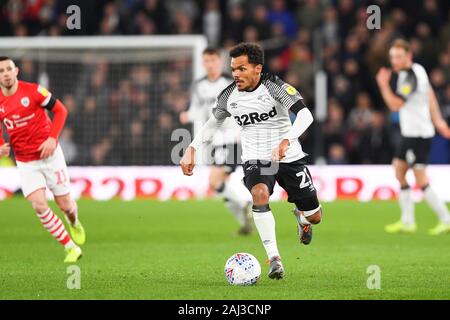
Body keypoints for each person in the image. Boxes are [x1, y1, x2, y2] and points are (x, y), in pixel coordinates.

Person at [180, 43, 322, 279]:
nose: (236, 73)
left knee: (315, 216)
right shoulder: (228, 95)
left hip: (290, 157)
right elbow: (213, 123)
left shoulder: (275, 87)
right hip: (256, 158)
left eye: (242, 68)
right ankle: (274, 259)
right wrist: (192, 148)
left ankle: (302, 216)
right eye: (233, 68)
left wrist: (287, 140)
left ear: (258, 69)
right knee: (259, 194)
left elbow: (306, 115)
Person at [0, 56, 86, 262]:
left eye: (9, 69)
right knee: (39, 205)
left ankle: (73, 221)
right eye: (1, 71)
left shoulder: (34, 91)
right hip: (25, 161)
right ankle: (70, 247)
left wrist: (52, 139)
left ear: (16, 71)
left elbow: (61, 110)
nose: (6, 74)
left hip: (50, 157)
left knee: (65, 205)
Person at [376, 39, 450, 235]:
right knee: (399, 171)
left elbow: (395, 106)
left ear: (409, 56)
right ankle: (408, 221)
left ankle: (445, 219)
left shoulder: (409, 76)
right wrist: (439, 121)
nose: (395, 61)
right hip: (412, 133)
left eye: (399, 57)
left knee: (419, 178)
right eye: (392, 57)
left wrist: (383, 85)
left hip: (417, 134)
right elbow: (430, 95)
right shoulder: (418, 70)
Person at [180, 47, 252, 235]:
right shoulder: (198, 85)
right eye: (206, 61)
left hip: (231, 136)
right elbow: (198, 109)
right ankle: (245, 222)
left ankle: (246, 204)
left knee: (214, 180)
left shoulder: (231, 82)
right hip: (213, 139)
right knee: (222, 185)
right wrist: (188, 115)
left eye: (213, 61)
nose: (210, 65)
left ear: (220, 62)